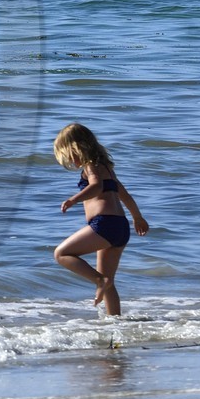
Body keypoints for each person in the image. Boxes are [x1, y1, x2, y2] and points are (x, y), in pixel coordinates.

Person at [53, 122, 149, 316]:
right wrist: (138, 218)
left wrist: (74, 199)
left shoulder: (91, 167)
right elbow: (126, 196)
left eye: (70, 156)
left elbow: (96, 186)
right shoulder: (108, 169)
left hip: (104, 224)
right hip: (121, 227)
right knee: (109, 280)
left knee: (61, 253)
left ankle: (98, 282)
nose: (71, 162)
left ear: (77, 148)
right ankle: (115, 321)